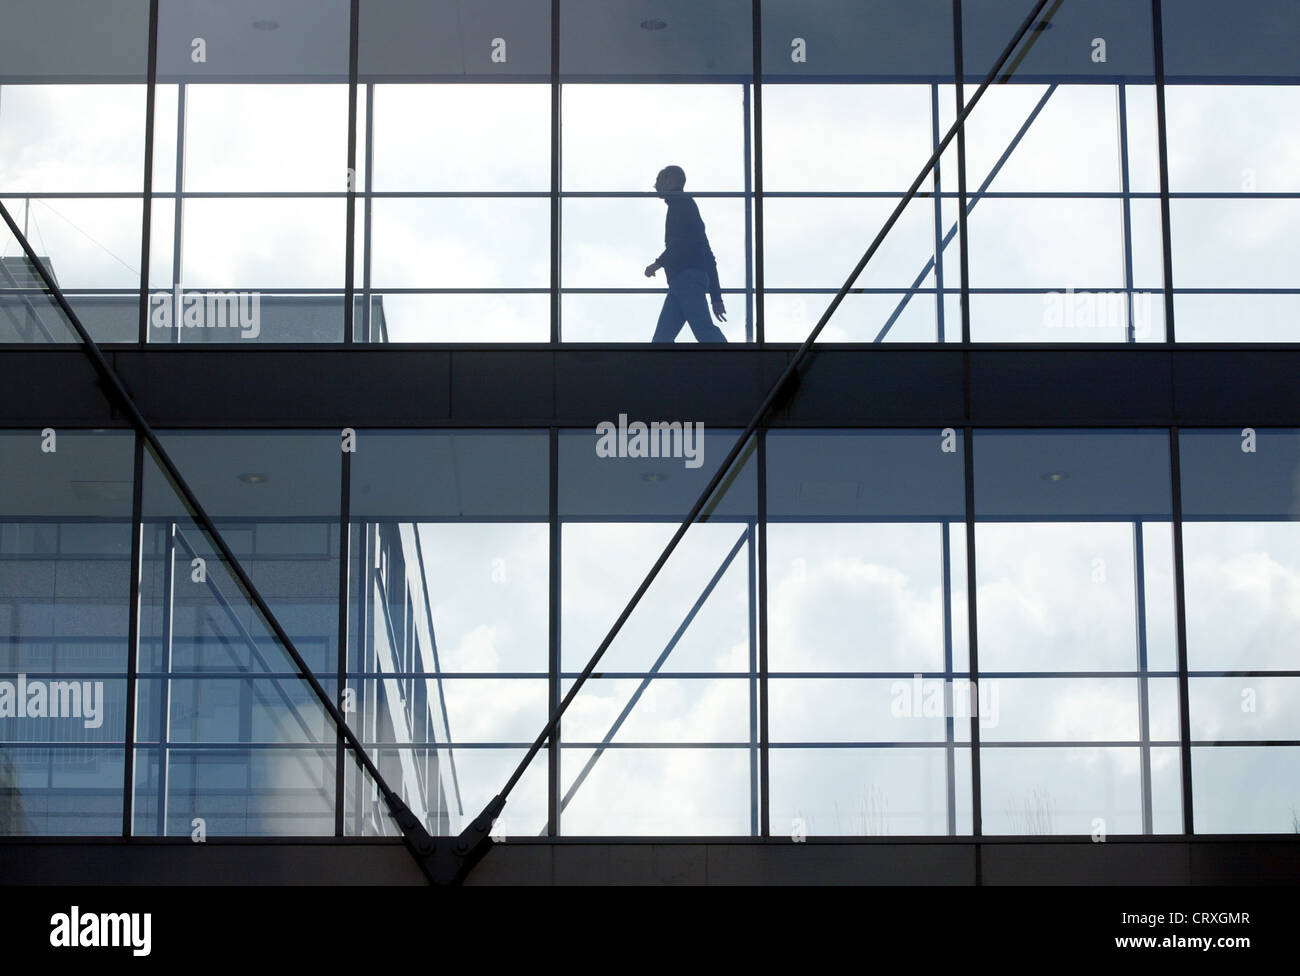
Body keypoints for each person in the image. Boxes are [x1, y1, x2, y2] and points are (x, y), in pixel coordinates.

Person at [644, 165, 727, 343]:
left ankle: (735, 363)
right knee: (661, 340)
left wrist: (657, 264)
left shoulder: (681, 204)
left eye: (659, 180)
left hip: (685, 279)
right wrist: (716, 296)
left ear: (670, 180)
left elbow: (680, 244)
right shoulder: (685, 205)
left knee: (704, 331)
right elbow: (707, 253)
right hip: (682, 282)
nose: (655, 185)